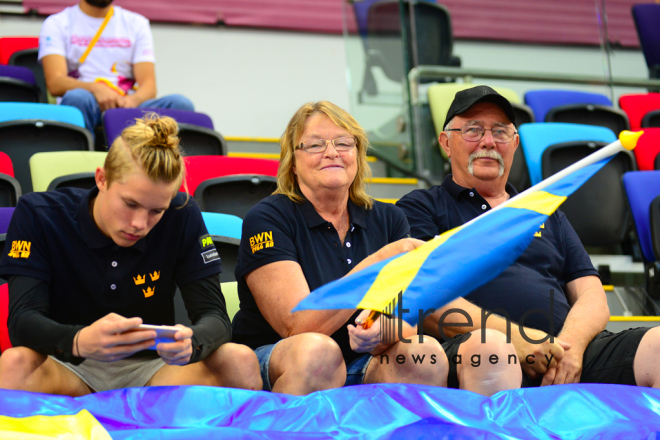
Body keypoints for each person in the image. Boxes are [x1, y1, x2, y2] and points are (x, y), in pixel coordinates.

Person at [231, 101, 520, 396]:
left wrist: (383, 334)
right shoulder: (268, 217)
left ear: (357, 154)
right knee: (318, 353)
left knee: (424, 354)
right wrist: (380, 260)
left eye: (344, 143)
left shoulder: (388, 218)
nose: (332, 152)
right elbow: (298, 326)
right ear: (293, 160)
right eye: (316, 145)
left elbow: (411, 317)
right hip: (280, 358)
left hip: (360, 360)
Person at [396, 85, 660, 389]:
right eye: (473, 130)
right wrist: (521, 341)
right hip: (478, 349)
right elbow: (425, 299)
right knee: (492, 351)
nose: (488, 142)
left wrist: (567, 349)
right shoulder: (420, 207)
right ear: (446, 142)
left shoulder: (546, 211)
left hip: (564, 353)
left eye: (500, 132)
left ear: (515, 143)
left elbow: (593, 296)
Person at [0, 114, 261, 396]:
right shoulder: (38, 214)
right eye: (130, 204)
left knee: (240, 360)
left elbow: (216, 318)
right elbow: (22, 321)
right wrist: (78, 341)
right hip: (66, 362)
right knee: (14, 364)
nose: (139, 223)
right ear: (102, 179)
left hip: (154, 370)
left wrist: (192, 341)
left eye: (156, 211)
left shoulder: (181, 214)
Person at [38, 0, 194, 134]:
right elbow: (55, 83)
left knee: (180, 104)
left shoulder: (137, 23)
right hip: (88, 103)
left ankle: (174, 166)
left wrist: (132, 101)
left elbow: (149, 86)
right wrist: (96, 89)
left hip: (127, 103)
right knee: (77, 98)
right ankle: (83, 161)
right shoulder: (57, 23)